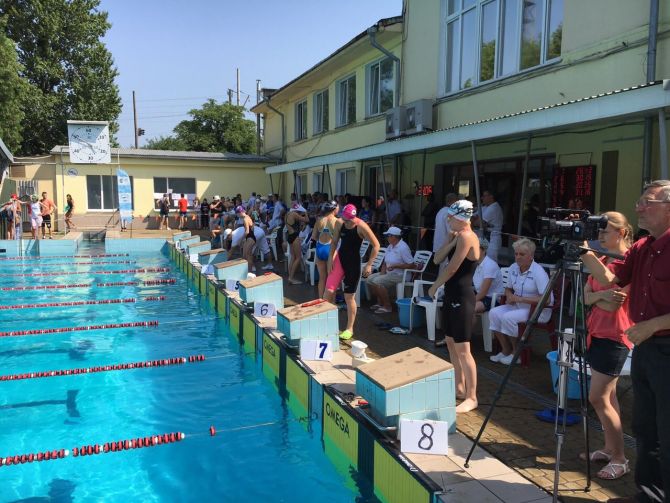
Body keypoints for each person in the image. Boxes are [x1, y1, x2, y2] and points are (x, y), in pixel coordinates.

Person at [581, 180, 670, 503]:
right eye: (639, 202)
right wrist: (582, 250)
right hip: (645, 347)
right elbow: (611, 278)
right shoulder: (643, 247)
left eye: (648, 202)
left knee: (666, 430)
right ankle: (649, 494)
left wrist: (653, 325)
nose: (639, 208)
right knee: (646, 428)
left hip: (664, 347)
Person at [580, 211, 633, 481]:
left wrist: (596, 297)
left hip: (615, 337)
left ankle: (620, 458)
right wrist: (601, 296)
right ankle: (610, 448)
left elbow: (614, 304)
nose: (600, 235)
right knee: (609, 398)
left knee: (597, 398)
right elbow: (584, 297)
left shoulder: (627, 262)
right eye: (598, 230)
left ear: (621, 232)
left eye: (606, 229)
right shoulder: (601, 260)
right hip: (597, 333)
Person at [427, 200, 480, 413]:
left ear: (460, 218)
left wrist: (434, 286)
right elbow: (437, 259)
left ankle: (472, 397)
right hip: (452, 294)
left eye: (450, 217)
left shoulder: (467, 237)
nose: (448, 220)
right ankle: (459, 387)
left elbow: (452, 268)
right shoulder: (458, 237)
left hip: (463, 296)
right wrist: (449, 241)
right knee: (450, 341)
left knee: (464, 349)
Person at [488, 238, 552, 365]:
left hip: (538, 310)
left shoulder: (538, 272)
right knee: (493, 313)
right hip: (518, 306)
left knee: (508, 317)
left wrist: (520, 299)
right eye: (516, 254)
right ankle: (506, 349)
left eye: (522, 254)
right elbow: (508, 288)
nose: (518, 257)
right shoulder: (514, 267)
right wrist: (509, 296)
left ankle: (516, 353)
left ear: (531, 256)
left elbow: (547, 300)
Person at [324, 204, 380, 340]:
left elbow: (376, 245)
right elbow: (334, 242)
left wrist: (369, 264)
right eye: (344, 219)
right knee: (328, 292)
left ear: (353, 218)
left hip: (353, 264)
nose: (345, 222)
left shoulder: (361, 226)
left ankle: (349, 328)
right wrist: (331, 258)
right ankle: (325, 323)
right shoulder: (340, 222)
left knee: (349, 298)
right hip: (339, 260)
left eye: (348, 220)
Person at [365, 226, 414, 314]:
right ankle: (380, 302)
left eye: (388, 235)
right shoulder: (390, 246)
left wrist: (396, 266)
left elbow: (411, 265)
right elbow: (385, 261)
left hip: (401, 275)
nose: (387, 237)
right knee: (369, 279)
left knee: (377, 281)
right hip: (389, 273)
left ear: (394, 237)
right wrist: (382, 272)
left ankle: (387, 306)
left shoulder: (403, 247)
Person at [311, 201, 339, 298]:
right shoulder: (337, 221)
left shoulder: (319, 220)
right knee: (332, 280)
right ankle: (332, 302)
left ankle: (321, 300)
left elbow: (313, 237)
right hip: (330, 249)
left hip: (320, 248)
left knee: (322, 278)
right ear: (334, 209)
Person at [473, 238, 505, 315]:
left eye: (476, 248)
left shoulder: (490, 265)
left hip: (492, 299)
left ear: (484, 251)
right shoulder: (475, 264)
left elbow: (483, 293)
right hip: (480, 295)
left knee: (469, 308)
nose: (472, 251)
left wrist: (469, 302)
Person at [474, 190, 504, 261]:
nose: (482, 198)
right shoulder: (485, 207)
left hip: (492, 240)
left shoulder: (494, 207)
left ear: (491, 197)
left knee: (490, 261)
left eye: (484, 196)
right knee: (482, 260)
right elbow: (471, 218)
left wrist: (478, 220)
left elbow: (478, 223)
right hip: (485, 239)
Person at [433, 193, 459, 273]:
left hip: (439, 244)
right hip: (446, 245)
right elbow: (451, 231)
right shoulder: (450, 212)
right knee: (445, 270)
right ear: (454, 201)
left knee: (442, 269)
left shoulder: (441, 211)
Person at [285, 203, 309, 284]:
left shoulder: (288, 214)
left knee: (293, 257)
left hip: (290, 236)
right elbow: (307, 220)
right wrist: (305, 212)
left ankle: (290, 276)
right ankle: (291, 278)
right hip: (295, 236)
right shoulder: (294, 214)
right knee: (298, 258)